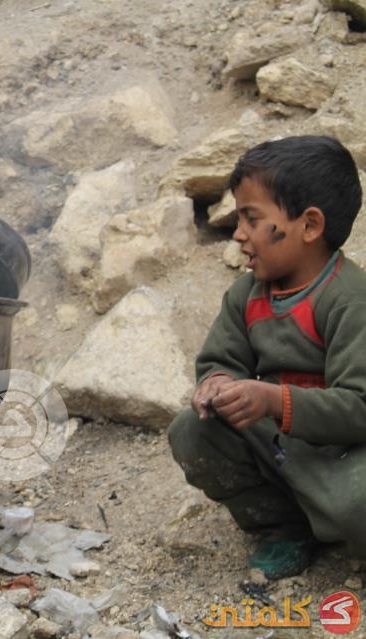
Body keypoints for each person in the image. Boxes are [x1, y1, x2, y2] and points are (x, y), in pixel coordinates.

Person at [168, 135, 366, 580]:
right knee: (192, 432)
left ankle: (335, 523)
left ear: (309, 226)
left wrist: (275, 400)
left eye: (251, 218)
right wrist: (217, 384)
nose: (238, 233)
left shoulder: (350, 300)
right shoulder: (246, 295)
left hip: (345, 454)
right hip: (279, 447)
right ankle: (285, 527)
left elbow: (360, 406)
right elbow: (220, 359)